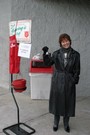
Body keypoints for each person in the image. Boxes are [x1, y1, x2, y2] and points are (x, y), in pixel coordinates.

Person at [42, 33, 80, 133]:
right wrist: (45, 53)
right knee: (57, 102)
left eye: (67, 40)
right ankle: (56, 122)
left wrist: (74, 80)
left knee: (68, 102)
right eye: (63, 41)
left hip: (69, 80)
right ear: (60, 43)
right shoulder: (56, 54)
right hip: (57, 80)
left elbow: (77, 69)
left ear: (70, 41)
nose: (65, 43)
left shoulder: (76, 54)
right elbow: (47, 64)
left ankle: (66, 123)